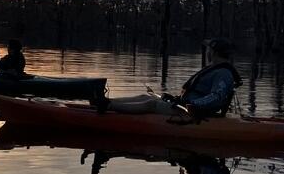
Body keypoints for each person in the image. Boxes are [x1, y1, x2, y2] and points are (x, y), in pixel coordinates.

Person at [97, 38, 240, 117]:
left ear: (214, 52)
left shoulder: (223, 73)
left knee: (151, 104)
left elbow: (217, 96)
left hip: (194, 112)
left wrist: (194, 105)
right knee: (145, 96)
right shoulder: (215, 68)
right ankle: (107, 101)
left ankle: (108, 106)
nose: (207, 51)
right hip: (185, 105)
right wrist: (177, 99)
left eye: (209, 49)